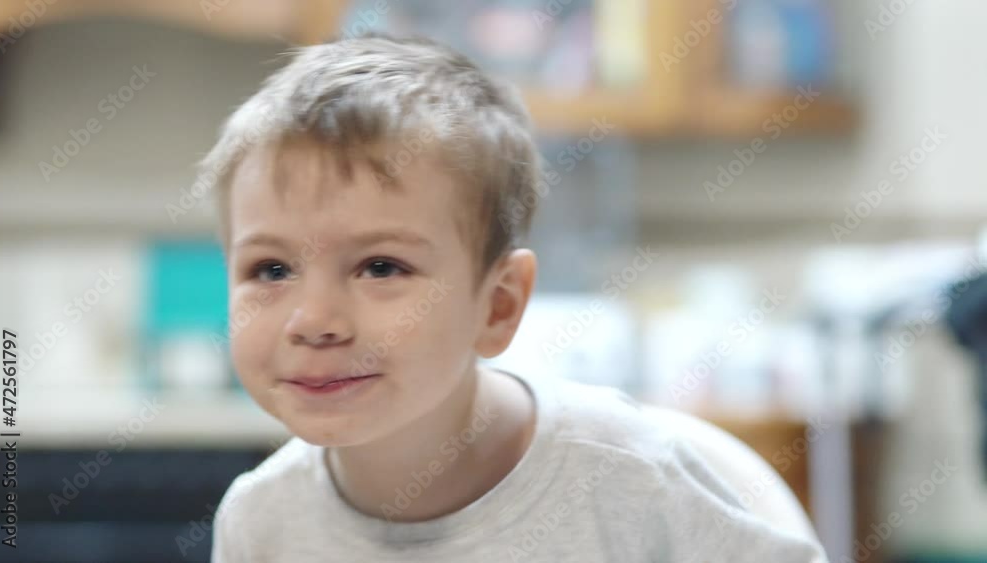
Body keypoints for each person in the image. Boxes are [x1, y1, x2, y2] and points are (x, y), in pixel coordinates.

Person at [203, 33, 827, 562]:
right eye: (271, 269)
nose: (313, 320)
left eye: (381, 267)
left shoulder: (630, 480)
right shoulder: (260, 522)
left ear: (498, 306)